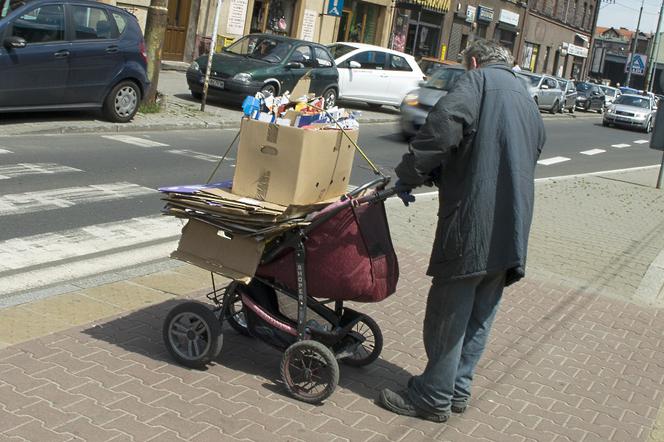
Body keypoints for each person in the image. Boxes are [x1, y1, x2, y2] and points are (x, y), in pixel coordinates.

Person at [377, 39, 546, 423]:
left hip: (474, 221)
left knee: (448, 310)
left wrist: (406, 176)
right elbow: (522, 148)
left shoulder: (477, 82)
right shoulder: (525, 96)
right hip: (515, 225)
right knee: (481, 313)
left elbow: (441, 131)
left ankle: (432, 397)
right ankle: (457, 389)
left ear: (472, 61)